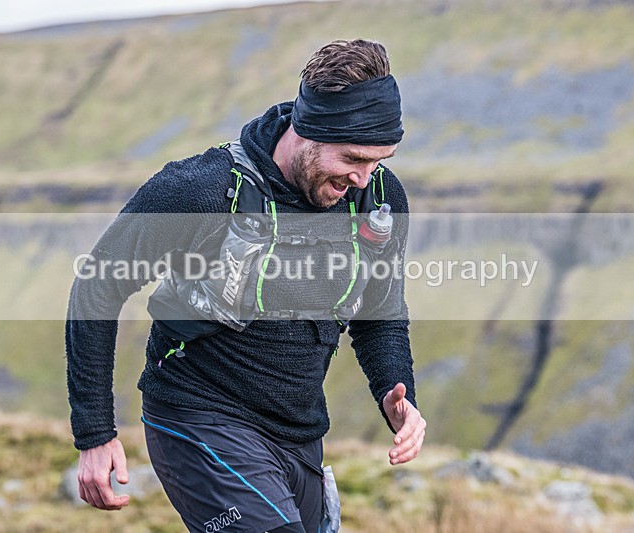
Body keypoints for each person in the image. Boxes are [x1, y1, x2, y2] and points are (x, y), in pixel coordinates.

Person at [66, 38, 426, 532]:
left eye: (378, 161)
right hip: (198, 418)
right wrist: (94, 433)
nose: (363, 179)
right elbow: (97, 286)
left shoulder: (379, 200)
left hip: (298, 434)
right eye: (352, 159)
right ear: (309, 131)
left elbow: (380, 313)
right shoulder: (202, 190)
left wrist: (394, 391)